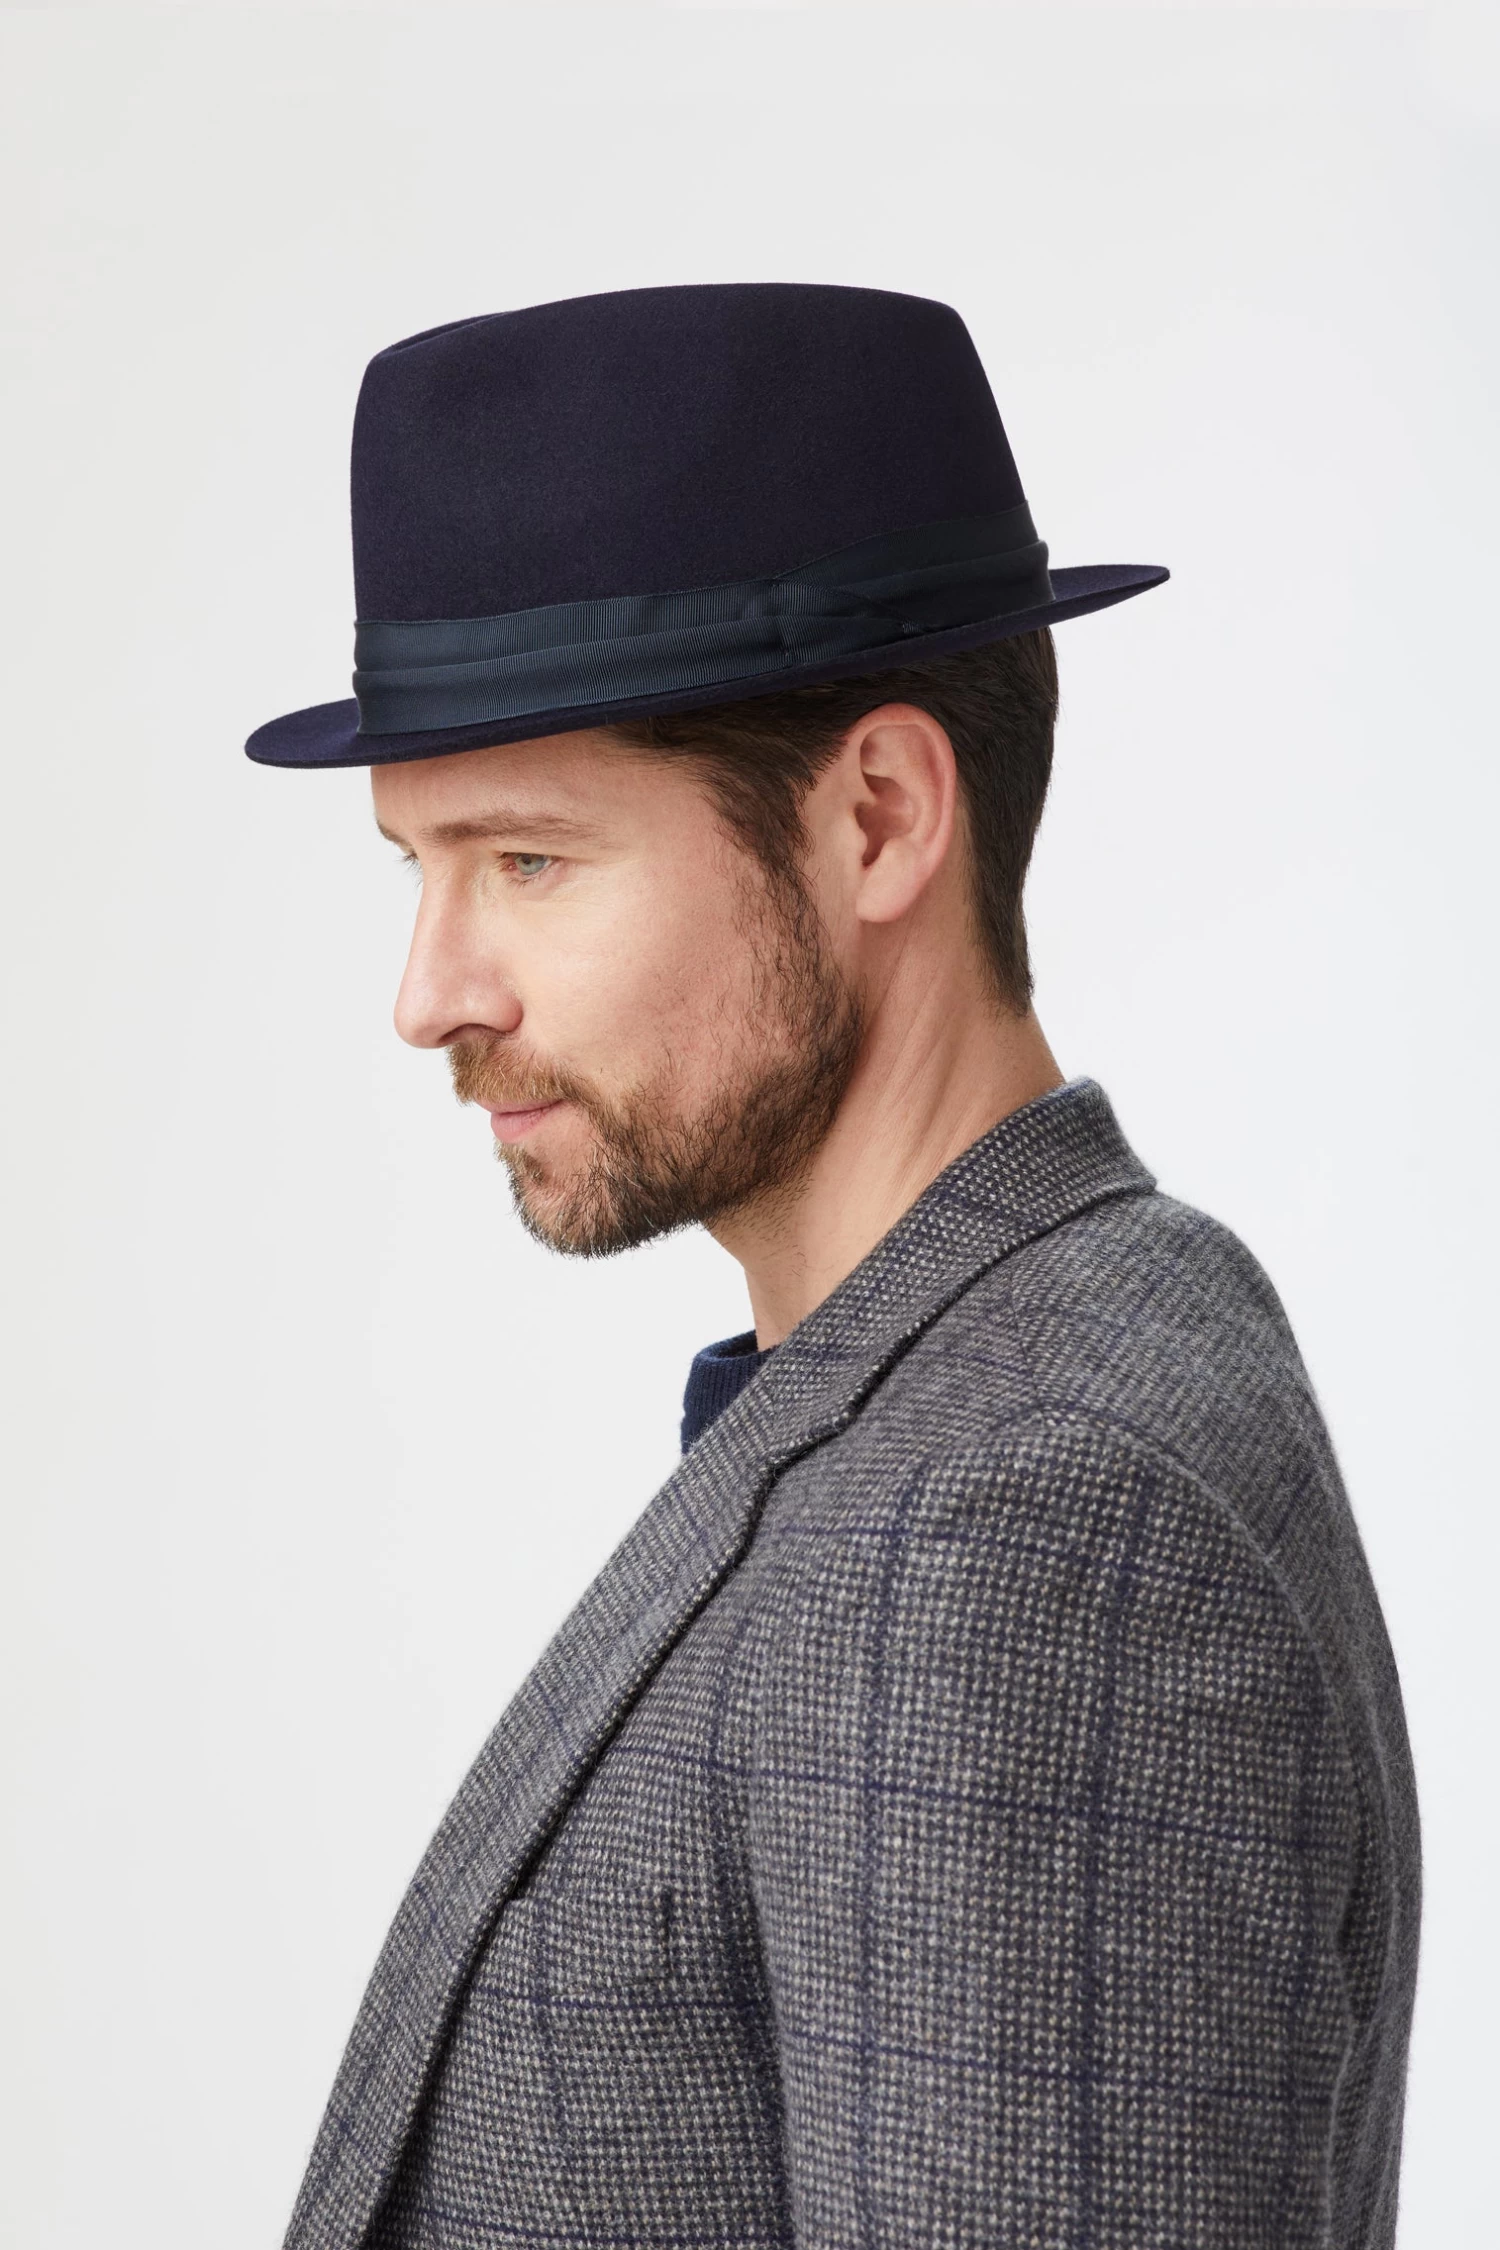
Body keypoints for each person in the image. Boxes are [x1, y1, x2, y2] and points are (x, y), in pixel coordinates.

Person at [247, 283, 1419, 2250]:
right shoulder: (999, 1377)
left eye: (527, 860)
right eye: (415, 866)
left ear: (876, 818)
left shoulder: (1020, 1525)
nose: (430, 993)